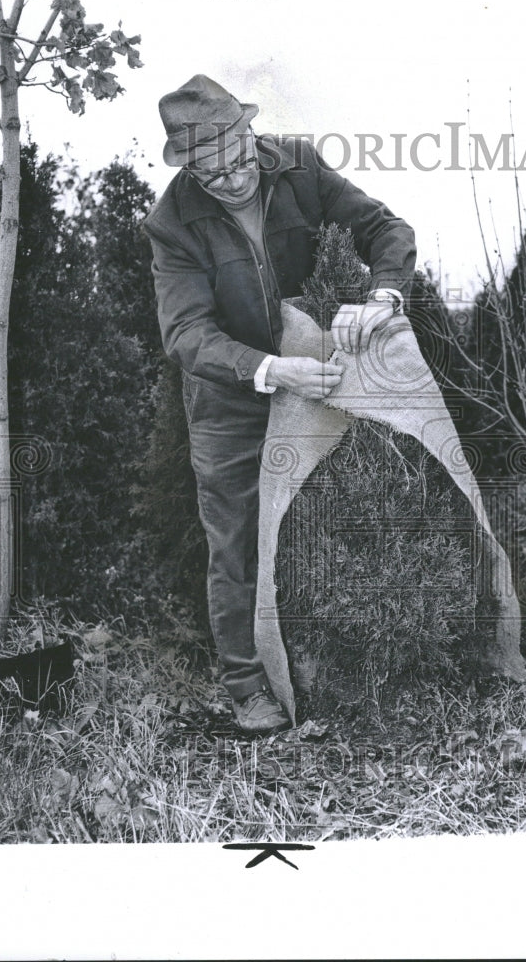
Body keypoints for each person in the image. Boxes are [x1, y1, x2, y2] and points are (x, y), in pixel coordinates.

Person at [144, 74, 416, 734]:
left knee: (333, 516)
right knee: (234, 541)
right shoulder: (172, 221)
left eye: (240, 158)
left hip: (319, 369)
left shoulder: (297, 165)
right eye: (214, 174)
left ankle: (339, 663)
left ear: (249, 133)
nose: (234, 179)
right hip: (229, 394)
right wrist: (269, 368)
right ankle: (246, 685)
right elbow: (186, 335)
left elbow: (386, 227)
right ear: (189, 171)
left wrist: (382, 298)